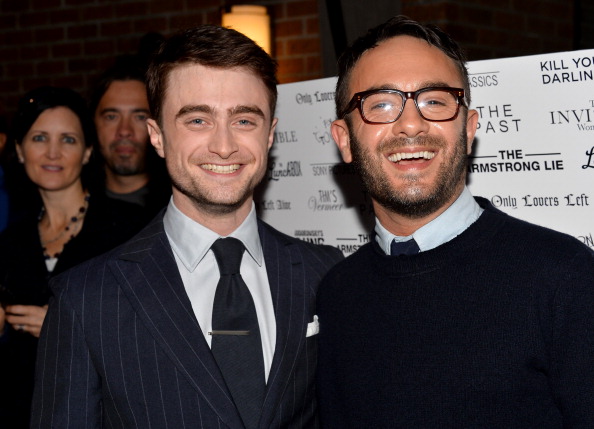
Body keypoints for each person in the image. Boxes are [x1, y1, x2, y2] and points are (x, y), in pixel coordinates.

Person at [31, 25, 344, 429]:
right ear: (157, 137)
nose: (224, 146)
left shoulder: (324, 273)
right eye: (197, 120)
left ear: (270, 135)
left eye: (244, 120)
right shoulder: (85, 300)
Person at [316, 15, 594, 428]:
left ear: (468, 129)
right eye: (381, 104)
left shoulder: (565, 278)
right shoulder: (337, 292)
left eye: (435, 100)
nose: (411, 124)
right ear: (345, 140)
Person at [0, 87, 144, 428]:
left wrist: (66, 328)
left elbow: (154, 333)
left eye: (68, 139)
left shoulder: (128, 229)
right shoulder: (9, 243)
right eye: (39, 138)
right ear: (19, 149)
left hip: (102, 414)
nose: (53, 152)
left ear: (87, 151)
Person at [89, 55, 170, 220]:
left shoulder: (179, 208)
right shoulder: (75, 208)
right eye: (111, 117)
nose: (124, 131)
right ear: (93, 123)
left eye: (140, 117)